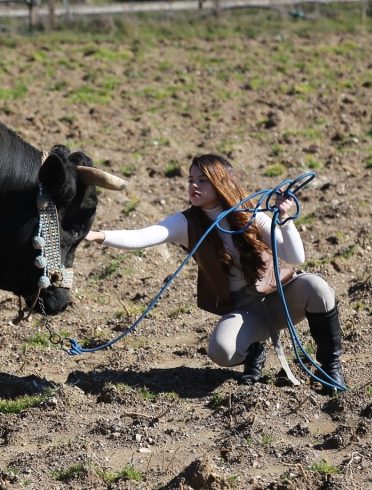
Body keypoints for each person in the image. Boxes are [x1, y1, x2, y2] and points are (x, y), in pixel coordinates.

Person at [85, 154, 345, 392]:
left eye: (202, 180)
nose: (194, 186)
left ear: (221, 182)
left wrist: (284, 219)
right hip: (246, 309)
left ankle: (331, 370)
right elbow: (144, 236)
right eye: (191, 180)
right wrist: (99, 235)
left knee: (317, 288)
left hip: (281, 296)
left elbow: (296, 257)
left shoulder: (253, 213)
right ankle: (253, 351)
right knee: (221, 352)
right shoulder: (186, 222)